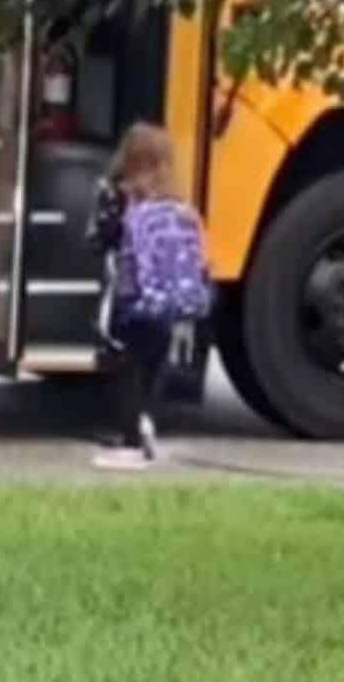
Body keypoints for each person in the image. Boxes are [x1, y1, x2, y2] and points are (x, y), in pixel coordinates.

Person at [86, 122, 213, 471]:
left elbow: (98, 240)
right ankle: (147, 423)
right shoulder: (181, 205)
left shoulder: (118, 197)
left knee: (125, 365)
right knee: (155, 363)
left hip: (130, 296)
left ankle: (129, 441)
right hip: (169, 300)